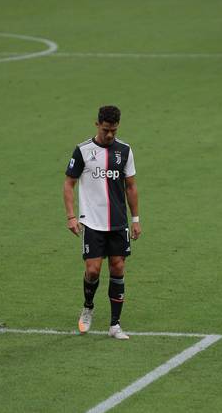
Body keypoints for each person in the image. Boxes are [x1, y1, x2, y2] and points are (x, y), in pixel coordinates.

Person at [63, 105, 141, 340]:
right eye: (106, 130)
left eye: (114, 131)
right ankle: (88, 306)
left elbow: (131, 186)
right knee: (93, 270)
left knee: (117, 268)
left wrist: (135, 219)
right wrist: (70, 216)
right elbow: (69, 183)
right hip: (93, 222)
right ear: (97, 124)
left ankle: (114, 325)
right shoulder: (83, 151)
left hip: (118, 222)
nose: (110, 135)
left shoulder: (125, 151)